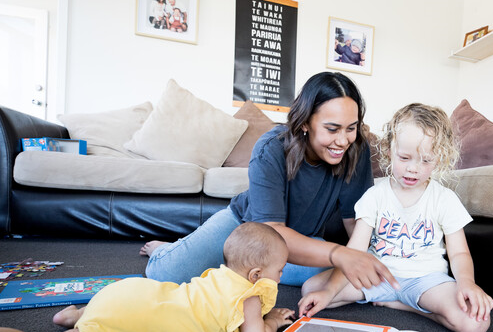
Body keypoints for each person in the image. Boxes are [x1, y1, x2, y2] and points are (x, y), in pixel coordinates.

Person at [141, 71, 397, 291]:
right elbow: (271, 230)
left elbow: (355, 221)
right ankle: (171, 250)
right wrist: (340, 254)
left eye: (351, 128)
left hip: (301, 242)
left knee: (348, 275)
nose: (343, 141)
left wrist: (367, 257)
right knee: (166, 274)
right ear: (306, 122)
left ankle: (241, 268)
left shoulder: (356, 149)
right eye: (332, 129)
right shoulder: (271, 148)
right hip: (245, 229)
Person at [298, 103, 493, 332]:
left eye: (425, 161)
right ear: (389, 150)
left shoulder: (445, 199)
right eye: (405, 157)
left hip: (427, 281)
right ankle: (391, 297)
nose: (413, 169)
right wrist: (329, 291)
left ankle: (404, 305)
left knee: (475, 323)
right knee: (311, 290)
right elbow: (355, 251)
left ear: (439, 158)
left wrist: (467, 283)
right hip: (376, 275)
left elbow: (460, 254)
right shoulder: (375, 195)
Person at [0, 222, 295, 332]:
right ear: (256, 274)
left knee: (113, 307)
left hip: (133, 292)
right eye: (279, 271)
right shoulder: (251, 298)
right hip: (130, 321)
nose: (280, 277)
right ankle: (76, 323)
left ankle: (76, 315)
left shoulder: (221, 275)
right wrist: (271, 321)